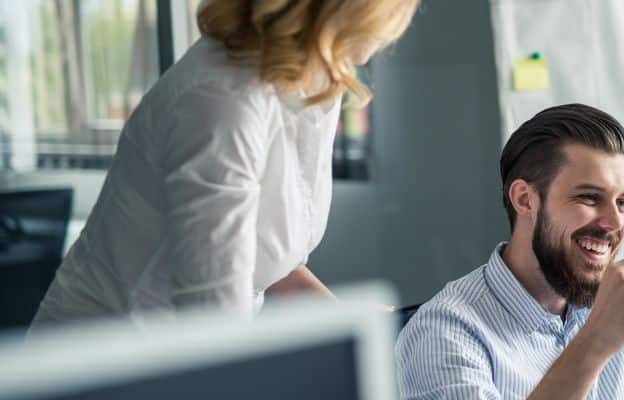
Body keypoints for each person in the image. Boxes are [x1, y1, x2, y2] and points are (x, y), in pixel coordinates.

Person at [28, 0, 419, 332]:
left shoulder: (311, 80)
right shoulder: (222, 101)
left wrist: (348, 322)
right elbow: (214, 320)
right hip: (107, 360)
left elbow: (263, 260)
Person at [396, 104, 624, 399]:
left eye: (622, 203)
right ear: (525, 199)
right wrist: (598, 338)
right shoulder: (443, 331)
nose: (613, 222)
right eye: (589, 198)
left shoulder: (613, 319)